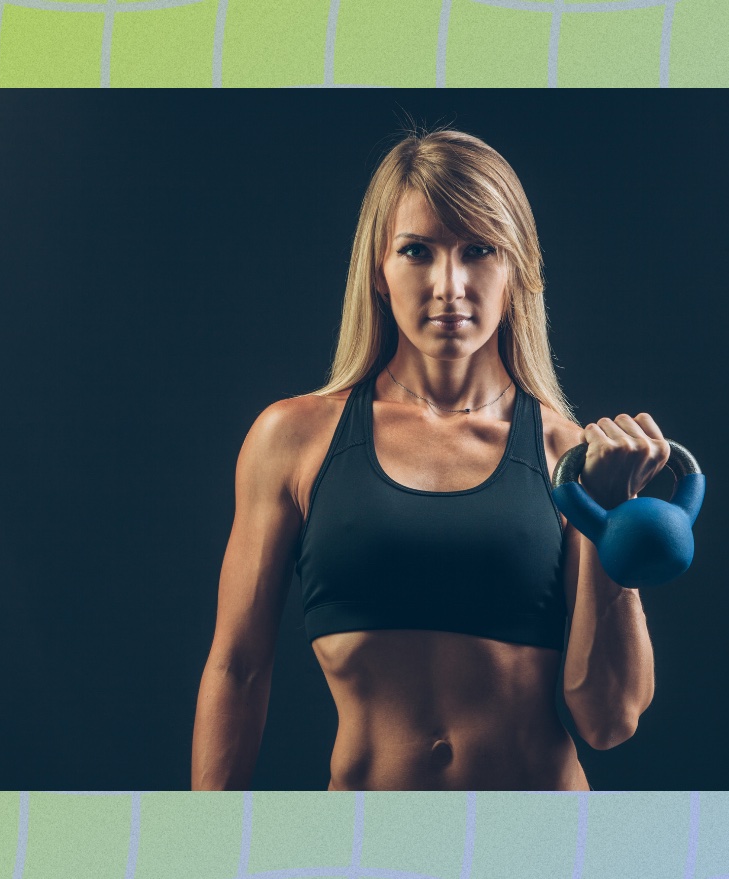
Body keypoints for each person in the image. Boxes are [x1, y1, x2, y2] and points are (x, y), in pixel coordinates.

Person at [191, 126, 667, 791]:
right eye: (417, 250)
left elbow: (609, 719)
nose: (449, 284)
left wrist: (612, 518)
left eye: (478, 250)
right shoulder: (292, 439)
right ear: (378, 272)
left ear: (518, 271)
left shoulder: (569, 457)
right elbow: (237, 666)